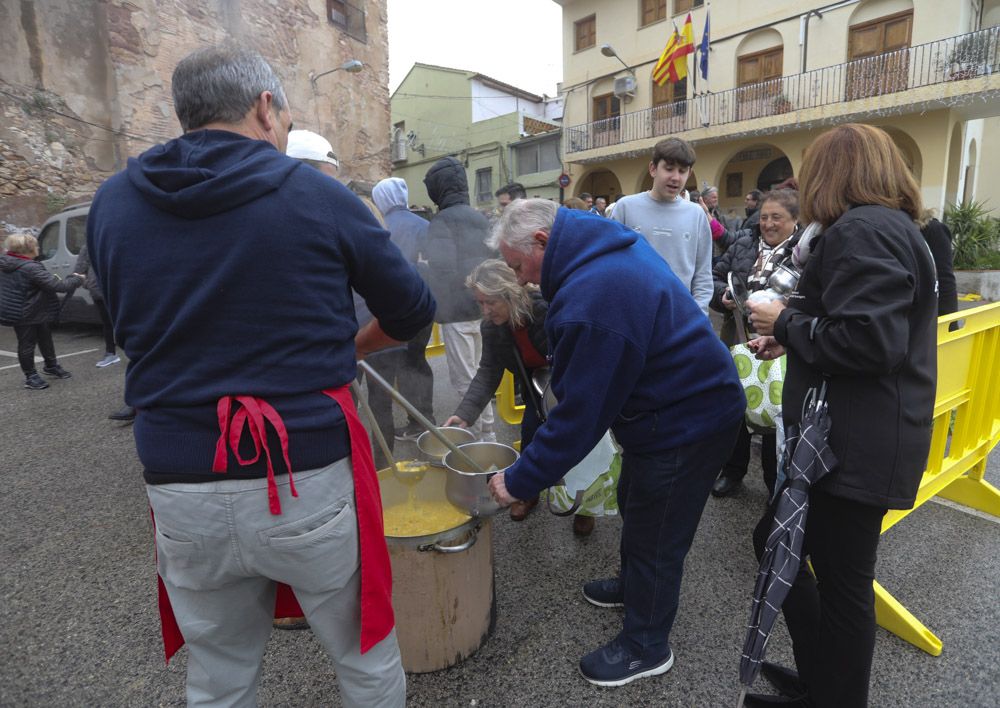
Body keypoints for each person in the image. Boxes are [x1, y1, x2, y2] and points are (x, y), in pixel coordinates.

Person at [86, 44, 435, 707]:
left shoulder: (111, 204)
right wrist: (349, 351)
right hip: (307, 473)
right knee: (364, 656)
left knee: (219, 675)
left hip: (178, 476)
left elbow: (125, 319)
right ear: (265, 108)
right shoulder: (317, 193)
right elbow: (412, 309)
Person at [486, 200, 745, 687]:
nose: (518, 280)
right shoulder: (596, 248)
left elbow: (581, 415)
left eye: (518, 267)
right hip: (666, 408)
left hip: (690, 419)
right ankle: (633, 588)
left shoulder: (595, 293)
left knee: (657, 532)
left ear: (542, 243)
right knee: (636, 500)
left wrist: (520, 480)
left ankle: (646, 647)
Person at [745, 124, 937, 708]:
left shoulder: (863, 228)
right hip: (862, 434)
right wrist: (797, 339)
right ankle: (822, 680)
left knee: (843, 581)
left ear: (836, 173)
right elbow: (869, 329)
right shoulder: (886, 226)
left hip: (855, 443)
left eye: (810, 172)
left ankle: (833, 694)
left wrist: (785, 324)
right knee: (799, 555)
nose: (803, 187)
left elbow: (870, 342)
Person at [443, 259, 595, 535]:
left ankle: (584, 506)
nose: (485, 311)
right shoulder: (492, 327)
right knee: (530, 439)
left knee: (579, 445)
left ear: (510, 294)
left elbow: (579, 354)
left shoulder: (545, 310)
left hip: (571, 384)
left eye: (491, 302)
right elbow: (488, 371)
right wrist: (465, 413)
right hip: (535, 387)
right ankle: (527, 492)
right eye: (480, 303)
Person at [709, 189, 802, 498]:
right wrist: (723, 295)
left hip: (783, 343)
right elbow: (716, 277)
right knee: (735, 405)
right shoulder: (744, 243)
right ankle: (733, 471)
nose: (768, 224)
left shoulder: (805, 253)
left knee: (775, 407)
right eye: (764, 217)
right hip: (737, 338)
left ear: (795, 219)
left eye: (777, 217)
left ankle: (772, 478)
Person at [423, 155, 496, 440]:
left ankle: (485, 439)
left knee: (465, 379)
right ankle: (483, 432)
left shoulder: (441, 221)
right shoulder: (480, 217)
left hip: (457, 312)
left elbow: (441, 268)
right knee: (481, 373)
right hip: (485, 308)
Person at [611, 138, 714, 314]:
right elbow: (610, 264)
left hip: (680, 317)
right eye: (669, 168)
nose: (675, 177)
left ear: (689, 174)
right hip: (631, 312)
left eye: (682, 171)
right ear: (653, 168)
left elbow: (703, 274)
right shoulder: (625, 207)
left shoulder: (696, 214)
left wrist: (698, 316)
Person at [372, 177, 436, 441]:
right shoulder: (425, 225)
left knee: (396, 369)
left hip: (393, 310)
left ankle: (412, 425)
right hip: (424, 306)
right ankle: (424, 419)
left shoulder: (381, 226)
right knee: (418, 362)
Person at [0, 232, 82, 390]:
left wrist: (58, 278)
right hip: (25, 312)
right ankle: (30, 376)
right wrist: (76, 278)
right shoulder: (30, 267)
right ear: (28, 249)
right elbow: (59, 286)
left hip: (32, 309)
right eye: (36, 245)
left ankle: (51, 366)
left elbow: (47, 280)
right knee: (27, 344)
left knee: (45, 339)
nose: (38, 248)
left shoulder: (10, 262)